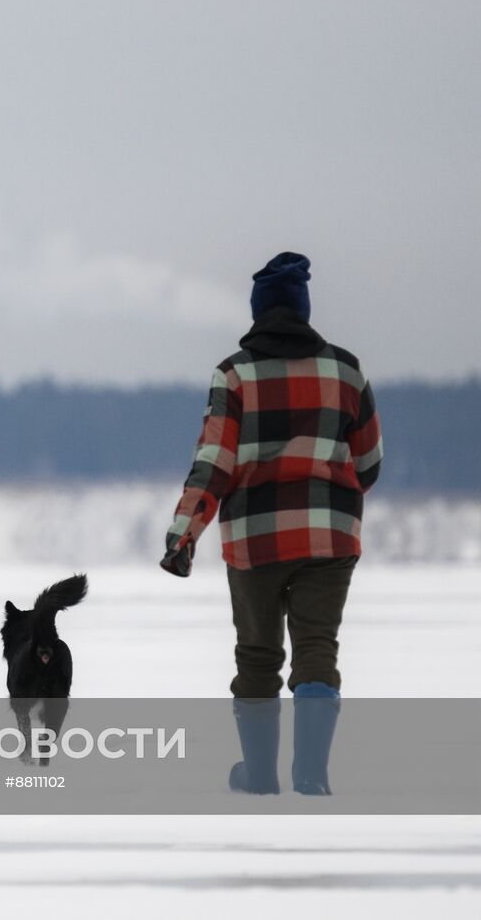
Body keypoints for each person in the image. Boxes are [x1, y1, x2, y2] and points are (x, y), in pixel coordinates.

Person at [161, 252, 382, 795]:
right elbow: (370, 463)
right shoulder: (346, 370)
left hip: (255, 540)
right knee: (316, 649)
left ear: (259, 312)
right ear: (303, 310)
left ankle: (259, 776)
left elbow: (213, 463)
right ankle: (311, 774)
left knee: (257, 655)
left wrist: (183, 534)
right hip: (330, 537)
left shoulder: (235, 375)